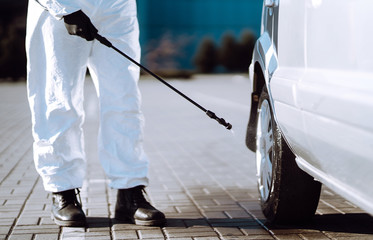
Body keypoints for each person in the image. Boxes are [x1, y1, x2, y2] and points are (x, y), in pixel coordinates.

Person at [25, 0, 166, 227]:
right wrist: (63, 7)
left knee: (125, 100)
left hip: (117, 7)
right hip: (61, 8)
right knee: (58, 101)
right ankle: (63, 191)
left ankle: (130, 192)